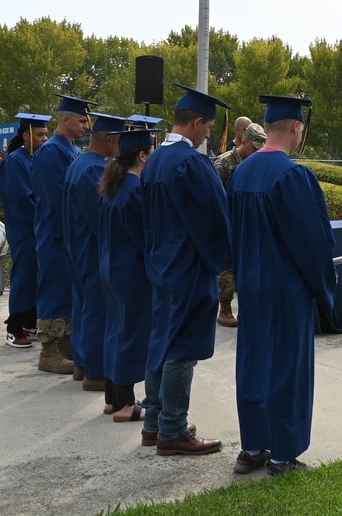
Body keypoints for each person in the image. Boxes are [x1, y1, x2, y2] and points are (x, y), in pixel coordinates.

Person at [228, 95, 342, 477]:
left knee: (253, 362)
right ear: (296, 127)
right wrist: (324, 283)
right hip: (285, 290)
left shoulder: (241, 173)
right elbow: (312, 242)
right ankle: (282, 455)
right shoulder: (293, 175)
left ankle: (253, 447)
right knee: (287, 369)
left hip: (251, 288)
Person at [141, 84, 231, 456]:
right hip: (188, 268)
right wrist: (227, 258)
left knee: (161, 340)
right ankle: (173, 431)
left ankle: (153, 424)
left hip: (161, 264)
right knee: (182, 347)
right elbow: (212, 219)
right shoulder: (192, 163)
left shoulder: (155, 160)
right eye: (208, 127)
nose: (209, 134)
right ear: (196, 123)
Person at [32, 94, 95, 375]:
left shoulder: (71, 149)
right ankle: (48, 351)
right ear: (65, 120)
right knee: (54, 291)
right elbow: (55, 199)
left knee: (69, 291)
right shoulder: (50, 152)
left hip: (71, 235)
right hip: (56, 233)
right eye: (82, 120)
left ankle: (66, 343)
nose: (86, 126)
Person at [63, 113, 125, 393]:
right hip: (91, 246)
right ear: (110, 139)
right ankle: (95, 372)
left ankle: (82, 363)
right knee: (97, 308)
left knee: (84, 305)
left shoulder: (80, 163)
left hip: (78, 244)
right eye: (120, 141)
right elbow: (100, 217)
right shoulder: (92, 170)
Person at [98, 128, 156, 424]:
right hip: (130, 271)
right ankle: (124, 403)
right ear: (143, 155)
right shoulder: (134, 190)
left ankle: (111, 399)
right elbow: (144, 237)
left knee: (115, 331)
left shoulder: (113, 187)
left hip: (110, 267)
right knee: (132, 334)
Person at [0, 112, 50, 349]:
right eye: (39, 134)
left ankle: (30, 322)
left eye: (46, 134)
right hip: (25, 229)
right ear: (25, 135)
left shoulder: (36, 159)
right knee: (25, 276)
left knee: (37, 277)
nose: (44, 138)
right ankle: (14, 328)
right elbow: (20, 199)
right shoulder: (15, 162)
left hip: (39, 228)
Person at [213, 121, 267, 327]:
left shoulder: (257, 162)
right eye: (254, 147)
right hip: (228, 221)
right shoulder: (224, 163)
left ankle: (247, 306)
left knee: (248, 265)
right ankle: (225, 308)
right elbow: (216, 196)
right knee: (228, 266)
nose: (257, 152)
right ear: (244, 141)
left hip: (248, 222)